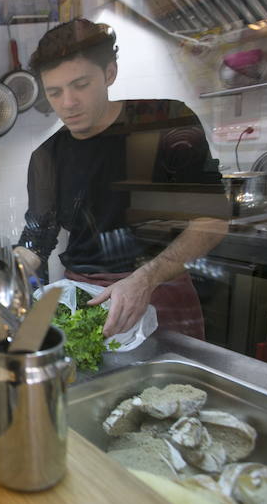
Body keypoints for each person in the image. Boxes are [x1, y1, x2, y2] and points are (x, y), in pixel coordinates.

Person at [15, 19, 226, 340]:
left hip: (160, 290)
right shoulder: (47, 156)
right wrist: (5, 271)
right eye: (54, 92)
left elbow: (211, 221)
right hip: (84, 301)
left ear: (109, 73)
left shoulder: (168, 123)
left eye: (80, 85)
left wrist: (145, 278)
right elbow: (38, 238)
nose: (67, 103)